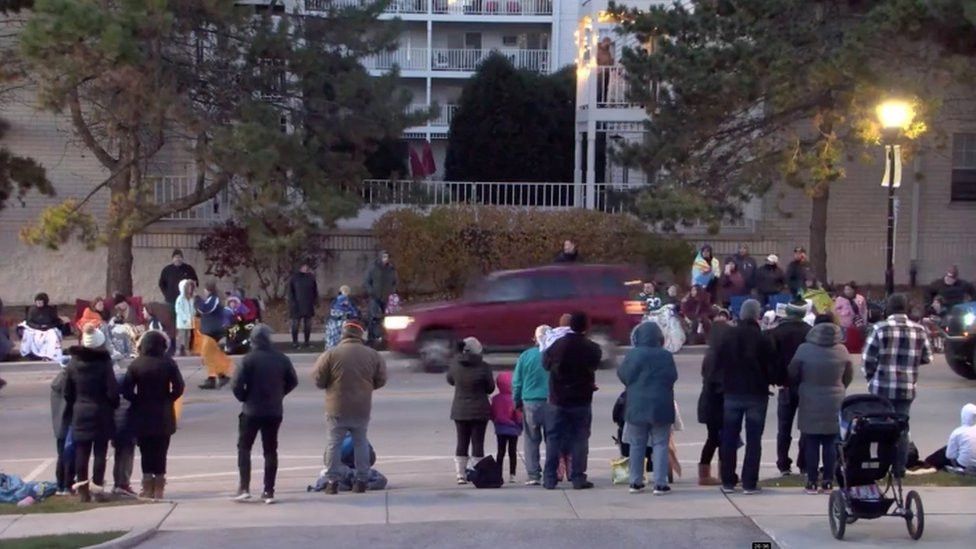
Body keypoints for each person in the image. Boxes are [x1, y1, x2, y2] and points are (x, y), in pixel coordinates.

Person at [862, 293, 932, 479]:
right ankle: (899, 470)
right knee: (902, 429)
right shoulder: (919, 330)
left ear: (888, 309)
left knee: (879, 427)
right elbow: (927, 357)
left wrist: (871, 377)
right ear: (906, 309)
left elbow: (867, 359)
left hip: (881, 387)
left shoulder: (879, 328)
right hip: (906, 387)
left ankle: (880, 467)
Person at [313, 320, 388, 494]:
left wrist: (330, 386)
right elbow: (381, 379)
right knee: (360, 442)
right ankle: (361, 480)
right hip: (361, 406)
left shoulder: (331, 354)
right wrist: (367, 387)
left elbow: (318, 378)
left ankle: (332, 481)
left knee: (334, 443)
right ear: (360, 335)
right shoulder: (372, 355)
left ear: (343, 334)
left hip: (336, 406)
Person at [232, 324, 298, 504]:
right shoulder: (281, 359)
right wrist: (280, 393)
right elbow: (293, 381)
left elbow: (236, 385)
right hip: (273, 410)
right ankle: (269, 490)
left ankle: (244, 487)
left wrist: (244, 397)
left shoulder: (248, 359)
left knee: (244, 448)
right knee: (270, 450)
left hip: (251, 410)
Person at [715, 299, 776, 494]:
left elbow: (718, 363)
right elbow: (771, 367)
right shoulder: (763, 338)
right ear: (757, 315)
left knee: (729, 437)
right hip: (756, 393)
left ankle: (728, 480)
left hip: (732, 392)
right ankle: (750, 482)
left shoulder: (728, 336)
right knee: (754, 439)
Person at [788, 317, 853, 494]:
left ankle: (811, 480)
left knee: (811, 441)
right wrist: (839, 388)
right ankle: (827, 481)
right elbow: (848, 375)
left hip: (809, 397)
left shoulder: (804, 349)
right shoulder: (842, 350)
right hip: (834, 399)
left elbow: (792, 373)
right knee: (831, 441)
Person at [542, 311, 602, 490]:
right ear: (586, 327)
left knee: (553, 438)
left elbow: (545, 365)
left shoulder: (556, 345)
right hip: (581, 399)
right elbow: (594, 366)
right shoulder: (592, 348)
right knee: (580, 438)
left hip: (557, 399)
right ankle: (578, 477)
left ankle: (550, 478)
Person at [122, 330, 185, 501]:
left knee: (146, 451)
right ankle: (159, 486)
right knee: (161, 450)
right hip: (163, 411)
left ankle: (147, 485)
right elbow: (179, 386)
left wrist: (137, 399)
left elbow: (126, 389)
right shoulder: (168, 363)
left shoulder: (136, 364)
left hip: (142, 411)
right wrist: (169, 399)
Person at [617, 322, 678, 495]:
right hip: (661, 405)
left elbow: (623, 375)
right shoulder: (666, 356)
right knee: (660, 444)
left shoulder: (633, 355)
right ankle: (660, 483)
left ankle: (635, 482)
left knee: (637, 444)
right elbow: (672, 377)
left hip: (636, 405)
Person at [64, 324, 120, 502]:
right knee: (100, 452)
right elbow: (112, 390)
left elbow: (67, 391)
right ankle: (97, 489)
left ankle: (82, 490)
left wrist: (75, 404)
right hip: (101, 410)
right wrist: (113, 404)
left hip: (80, 410)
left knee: (82, 451)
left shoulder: (73, 363)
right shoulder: (104, 363)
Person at [768, 300, 812, 477]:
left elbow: (771, 358)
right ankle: (804, 462)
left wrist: (775, 378)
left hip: (785, 384)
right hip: (806, 383)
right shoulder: (810, 332)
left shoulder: (776, 333)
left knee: (784, 427)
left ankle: (783, 463)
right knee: (806, 426)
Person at [446, 337, 494, 484]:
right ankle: (476, 472)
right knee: (478, 443)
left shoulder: (455, 364)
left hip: (460, 408)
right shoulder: (484, 366)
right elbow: (490, 387)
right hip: (480, 409)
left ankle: (460, 474)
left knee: (462, 441)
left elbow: (450, 380)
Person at [512, 325, 551, 486]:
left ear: (534, 338)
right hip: (551, 402)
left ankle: (533, 474)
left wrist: (517, 401)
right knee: (552, 439)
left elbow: (517, 382)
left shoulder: (526, 356)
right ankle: (551, 472)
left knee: (531, 439)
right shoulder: (554, 356)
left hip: (530, 401)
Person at [696, 308, 731, 486]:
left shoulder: (710, 354)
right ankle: (723, 473)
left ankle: (705, 472)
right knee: (722, 438)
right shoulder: (722, 356)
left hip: (708, 402)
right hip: (718, 402)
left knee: (713, 438)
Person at [196, 281, 232, 390]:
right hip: (210, 330)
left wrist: (197, 300)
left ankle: (215, 379)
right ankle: (220, 376)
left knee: (207, 354)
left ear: (208, 290)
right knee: (210, 355)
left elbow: (206, 309)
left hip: (213, 331)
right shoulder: (211, 299)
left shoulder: (214, 298)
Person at [920, 403, 976, 472]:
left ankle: (929, 462)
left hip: (962, 465)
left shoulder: (958, 432)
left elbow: (949, 455)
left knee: (946, 449)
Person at [491, 371, 522, 484]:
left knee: (500, 451)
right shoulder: (515, 399)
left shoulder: (495, 399)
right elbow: (518, 415)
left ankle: (498, 473)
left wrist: (495, 422)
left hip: (500, 428)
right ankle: (512, 474)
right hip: (513, 429)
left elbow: (492, 413)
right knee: (512, 451)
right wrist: (520, 425)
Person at [50, 360, 75, 496]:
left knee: (61, 455)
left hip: (59, 426)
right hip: (68, 424)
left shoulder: (56, 384)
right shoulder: (67, 382)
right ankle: (67, 484)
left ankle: (60, 484)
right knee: (69, 455)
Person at [112, 362, 136, 498]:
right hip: (127, 432)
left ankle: (118, 483)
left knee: (118, 457)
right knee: (126, 458)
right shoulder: (130, 400)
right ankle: (122, 483)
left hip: (116, 431)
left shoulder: (113, 400)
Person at [21, 292, 66, 362]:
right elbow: (29, 321)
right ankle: (34, 354)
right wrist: (38, 326)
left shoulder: (50, 310)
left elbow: (55, 321)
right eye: (37, 301)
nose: (38, 303)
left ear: (45, 302)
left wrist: (48, 326)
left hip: (48, 328)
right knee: (31, 335)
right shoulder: (32, 309)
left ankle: (50, 354)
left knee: (53, 335)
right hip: (35, 328)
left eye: (40, 301)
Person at [364, 251, 398, 343]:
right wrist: (371, 291)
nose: (385, 259)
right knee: (373, 317)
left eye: (387, 257)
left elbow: (394, 281)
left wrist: (392, 291)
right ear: (380, 257)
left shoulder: (391, 269)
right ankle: (371, 337)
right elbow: (367, 282)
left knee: (386, 318)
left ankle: (384, 337)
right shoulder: (373, 268)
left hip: (386, 296)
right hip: (375, 296)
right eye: (384, 257)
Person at [288, 260, 319, 349]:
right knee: (295, 325)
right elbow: (290, 292)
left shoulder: (310, 278)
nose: (305, 268)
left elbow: (314, 290)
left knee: (308, 325)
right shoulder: (294, 278)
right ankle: (295, 342)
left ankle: (307, 342)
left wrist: (315, 301)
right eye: (303, 266)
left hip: (308, 304)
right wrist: (292, 303)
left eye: (306, 266)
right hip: (296, 305)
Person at [158, 249, 199, 314]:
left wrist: (191, 294)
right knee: (172, 318)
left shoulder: (189, 269)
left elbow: (195, 282)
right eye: (175, 257)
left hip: (186, 300)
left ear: (182, 258)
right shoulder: (167, 270)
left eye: (179, 257)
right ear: (172, 259)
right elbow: (161, 284)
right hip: (171, 301)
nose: (177, 259)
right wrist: (167, 295)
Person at [834, 282, 868, 354]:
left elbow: (864, 311)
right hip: (845, 325)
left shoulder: (860, 298)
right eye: (846, 289)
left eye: (849, 289)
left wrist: (864, 322)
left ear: (854, 290)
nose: (847, 291)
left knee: (859, 340)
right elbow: (836, 311)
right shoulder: (840, 299)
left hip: (859, 324)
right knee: (846, 341)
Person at [325, 286, 360, 350]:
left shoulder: (335, 300)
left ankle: (332, 352)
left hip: (335, 322)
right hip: (345, 322)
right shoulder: (350, 301)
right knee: (344, 340)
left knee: (332, 341)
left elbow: (331, 311)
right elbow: (355, 313)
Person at [174, 279, 196, 356]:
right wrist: (184, 318)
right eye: (189, 287)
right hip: (182, 321)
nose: (190, 289)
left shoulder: (191, 298)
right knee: (181, 335)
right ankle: (178, 349)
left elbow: (193, 308)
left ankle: (187, 349)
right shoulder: (180, 299)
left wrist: (193, 314)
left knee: (188, 335)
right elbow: (178, 310)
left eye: (191, 288)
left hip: (190, 320)